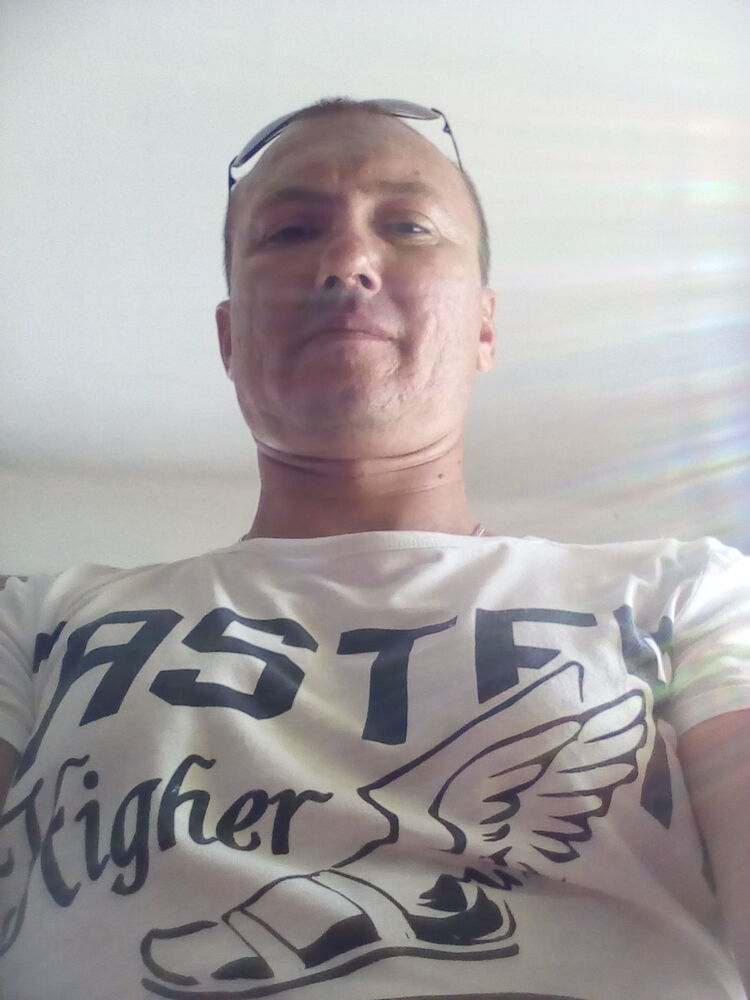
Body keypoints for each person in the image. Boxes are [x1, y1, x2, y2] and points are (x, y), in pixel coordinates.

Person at [0, 97, 748, 1000]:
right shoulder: (31, 619)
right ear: (230, 339)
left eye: (407, 226)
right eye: (290, 232)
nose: (346, 262)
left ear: (484, 326)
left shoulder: (693, 594)